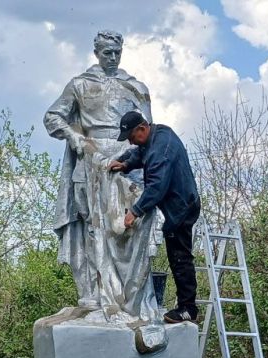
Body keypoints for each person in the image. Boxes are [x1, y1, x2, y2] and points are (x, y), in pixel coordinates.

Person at [43, 31, 161, 321]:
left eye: (116, 52)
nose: (112, 57)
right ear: (97, 52)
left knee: (130, 224)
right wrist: (74, 137)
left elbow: (148, 130)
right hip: (91, 159)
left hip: (127, 161)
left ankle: (130, 297)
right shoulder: (81, 84)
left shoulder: (134, 87)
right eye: (107, 52)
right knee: (92, 227)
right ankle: (95, 294)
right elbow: (52, 117)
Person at [109, 111, 201, 323]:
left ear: (142, 128)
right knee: (176, 255)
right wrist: (125, 163)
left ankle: (188, 309)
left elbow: (157, 187)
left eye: (132, 136)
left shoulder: (162, 150)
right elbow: (141, 153)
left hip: (181, 207)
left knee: (180, 257)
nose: (131, 141)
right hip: (176, 204)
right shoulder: (156, 136)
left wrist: (135, 211)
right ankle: (185, 305)